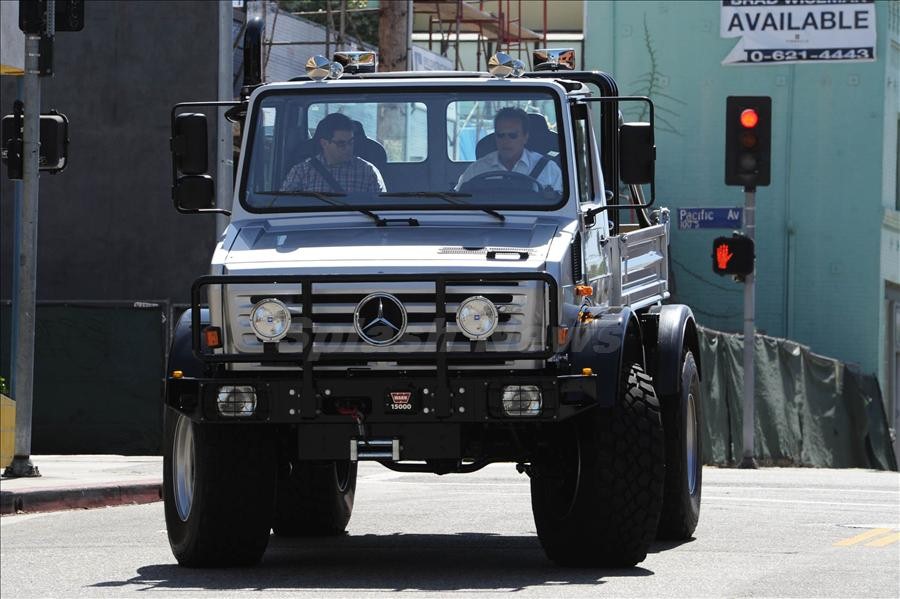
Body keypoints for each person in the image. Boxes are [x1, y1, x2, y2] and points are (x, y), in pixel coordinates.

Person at [456, 107, 562, 193]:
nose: (506, 141)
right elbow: (459, 201)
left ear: (525, 137)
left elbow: (562, 211)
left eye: (513, 135)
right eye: (500, 135)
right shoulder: (476, 170)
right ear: (495, 138)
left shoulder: (549, 170)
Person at [281, 112, 386, 193]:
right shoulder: (301, 172)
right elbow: (284, 208)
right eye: (341, 144)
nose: (348, 148)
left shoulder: (368, 171)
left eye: (351, 142)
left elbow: (381, 209)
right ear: (324, 143)